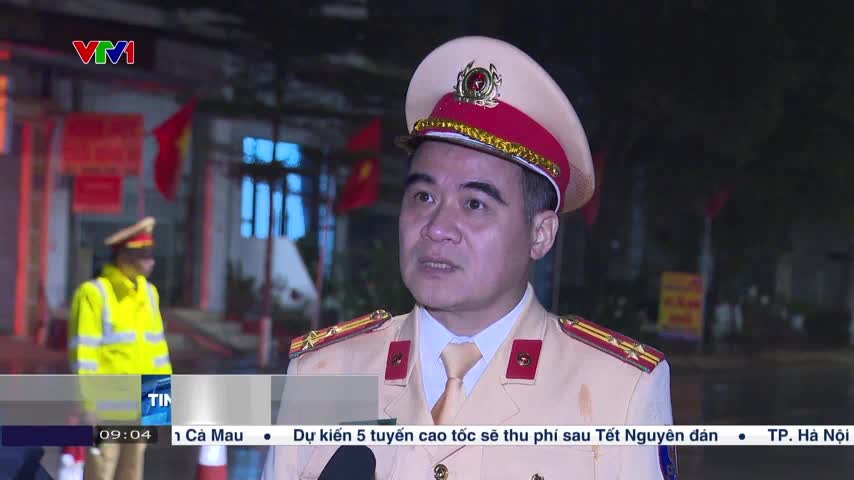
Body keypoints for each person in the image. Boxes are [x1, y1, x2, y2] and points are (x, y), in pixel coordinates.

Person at [263, 36, 675, 480]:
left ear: (541, 233)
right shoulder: (324, 373)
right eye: (423, 196)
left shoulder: (617, 391)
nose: (436, 226)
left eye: (475, 204)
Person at [68, 217, 172, 480]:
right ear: (124, 255)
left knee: (132, 473)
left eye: (152, 253)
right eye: (144, 254)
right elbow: (84, 357)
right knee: (101, 472)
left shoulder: (149, 293)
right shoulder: (94, 293)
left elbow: (158, 353)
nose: (152, 260)